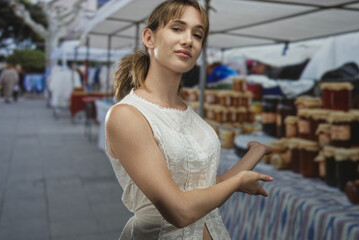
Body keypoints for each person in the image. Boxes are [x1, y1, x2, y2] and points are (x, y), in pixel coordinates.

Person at [105, 1, 274, 239]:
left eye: (197, 34)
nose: (189, 40)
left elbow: (205, 188)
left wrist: (256, 152)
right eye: (177, 28)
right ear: (149, 37)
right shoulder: (127, 115)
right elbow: (179, 211)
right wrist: (237, 183)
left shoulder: (188, 112)